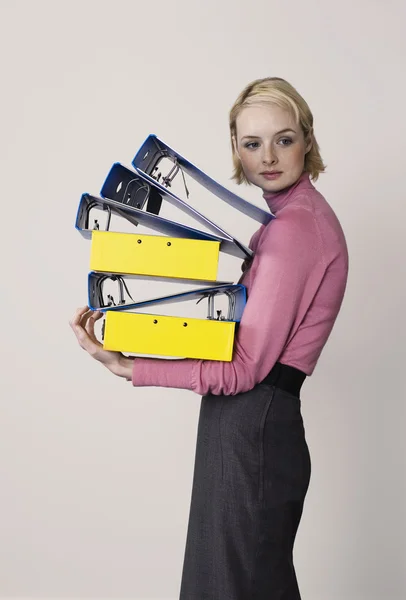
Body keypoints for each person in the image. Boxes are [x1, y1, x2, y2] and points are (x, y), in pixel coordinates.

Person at [70, 76, 349, 599]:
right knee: (247, 585)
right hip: (255, 427)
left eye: (284, 139)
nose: (267, 156)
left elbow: (245, 367)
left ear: (308, 141)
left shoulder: (295, 231)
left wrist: (131, 366)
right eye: (251, 143)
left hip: (252, 427)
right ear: (236, 150)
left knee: (228, 588)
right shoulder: (289, 222)